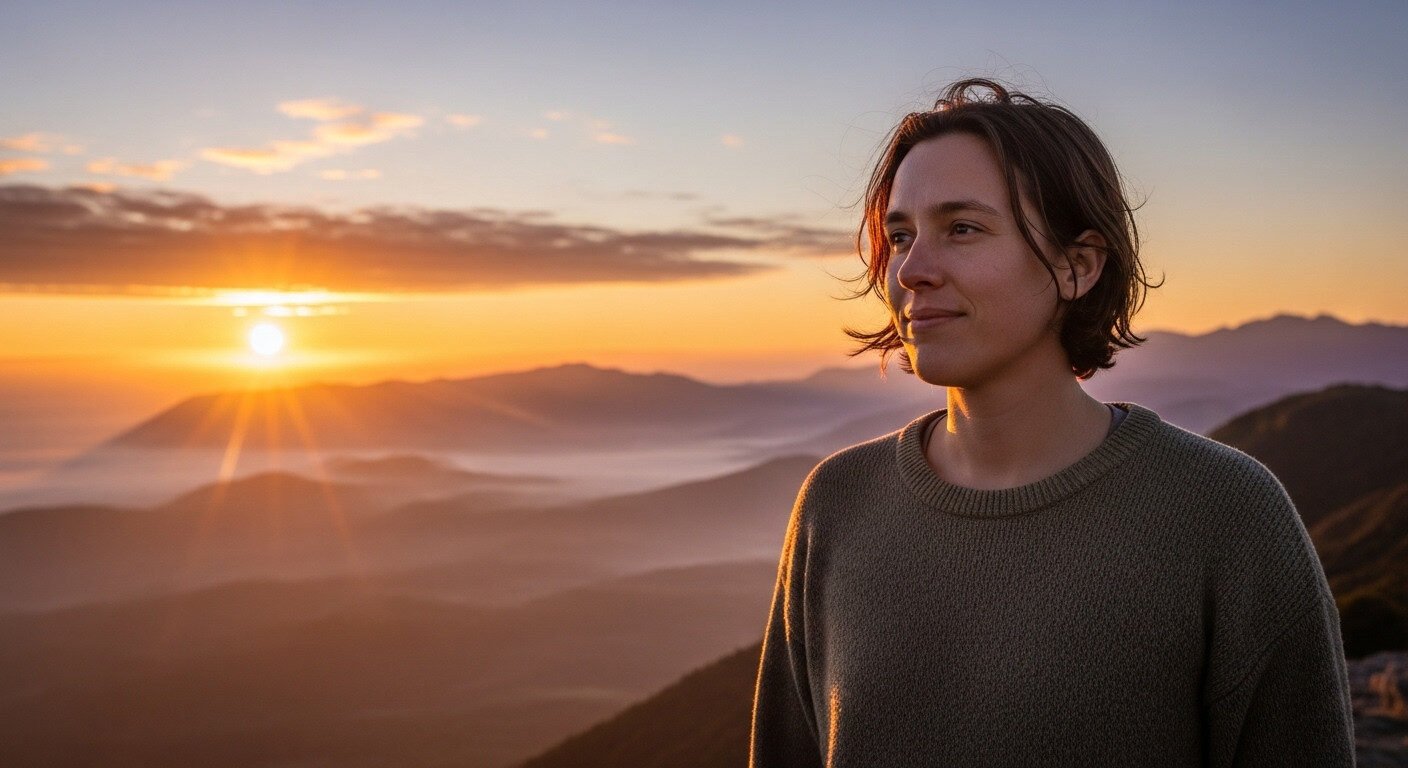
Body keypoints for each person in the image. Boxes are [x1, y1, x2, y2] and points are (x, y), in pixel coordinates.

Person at [748, 78, 1356, 767]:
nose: (911, 270)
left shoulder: (1224, 512)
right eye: (900, 235)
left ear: (1077, 266)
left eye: (962, 229)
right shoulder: (837, 502)